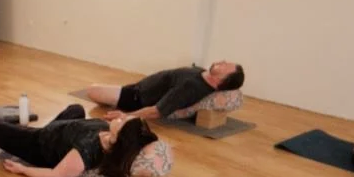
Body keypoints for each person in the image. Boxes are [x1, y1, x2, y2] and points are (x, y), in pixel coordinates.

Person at [0, 103, 158, 177]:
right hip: (60, 129)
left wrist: (23, 170)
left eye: (123, 122)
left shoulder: (86, 152)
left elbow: (58, 175)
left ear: (119, 137)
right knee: (76, 108)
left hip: (39, 144)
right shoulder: (110, 132)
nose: (121, 117)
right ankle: (22, 129)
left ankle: (15, 130)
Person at [85, 61, 245, 123]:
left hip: (136, 97)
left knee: (92, 90)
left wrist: (127, 116)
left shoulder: (191, 87)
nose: (221, 62)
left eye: (225, 66)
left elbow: (157, 111)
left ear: (222, 80)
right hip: (138, 87)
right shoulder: (202, 75)